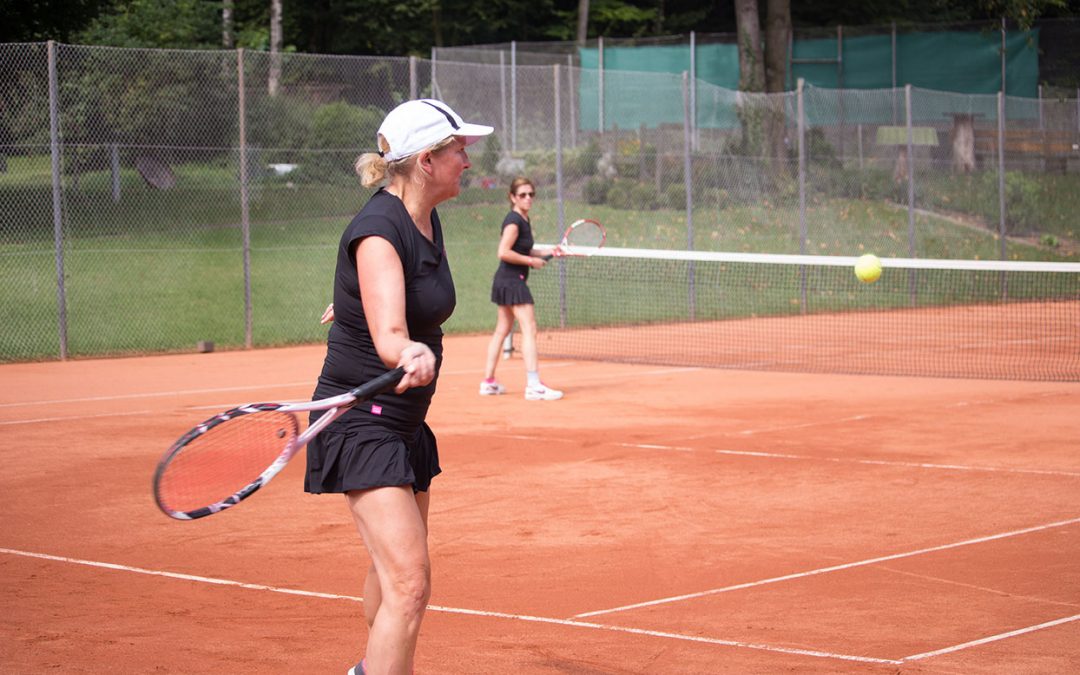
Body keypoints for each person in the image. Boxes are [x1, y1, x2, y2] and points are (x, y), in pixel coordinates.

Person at [307, 99, 492, 675]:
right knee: (410, 583)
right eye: (458, 148)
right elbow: (391, 336)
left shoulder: (422, 215)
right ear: (425, 161)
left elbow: (392, 294)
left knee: (391, 575)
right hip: (364, 423)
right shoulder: (380, 230)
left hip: (404, 424)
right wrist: (405, 348)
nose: (468, 157)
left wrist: (353, 301)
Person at [480, 177, 564, 401]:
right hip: (511, 280)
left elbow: (526, 248)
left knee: (502, 330)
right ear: (512, 197)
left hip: (506, 280)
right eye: (522, 195)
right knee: (530, 328)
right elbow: (503, 251)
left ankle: (488, 382)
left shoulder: (523, 219)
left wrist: (550, 251)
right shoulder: (514, 221)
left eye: (531, 194)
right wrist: (530, 262)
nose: (528, 198)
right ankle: (534, 385)